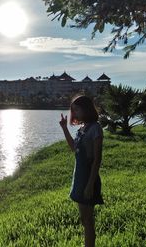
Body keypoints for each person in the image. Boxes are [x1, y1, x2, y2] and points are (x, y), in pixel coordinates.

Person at [59, 95, 104, 247]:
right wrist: (65, 128)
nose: (75, 113)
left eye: (76, 110)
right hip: (78, 177)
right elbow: (74, 148)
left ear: (86, 109)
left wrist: (90, 184)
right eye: (73, 111)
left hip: (87, 179)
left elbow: (97, 159)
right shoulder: (82, 129)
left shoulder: (95, 129)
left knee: (88, 220)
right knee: (84, 219)